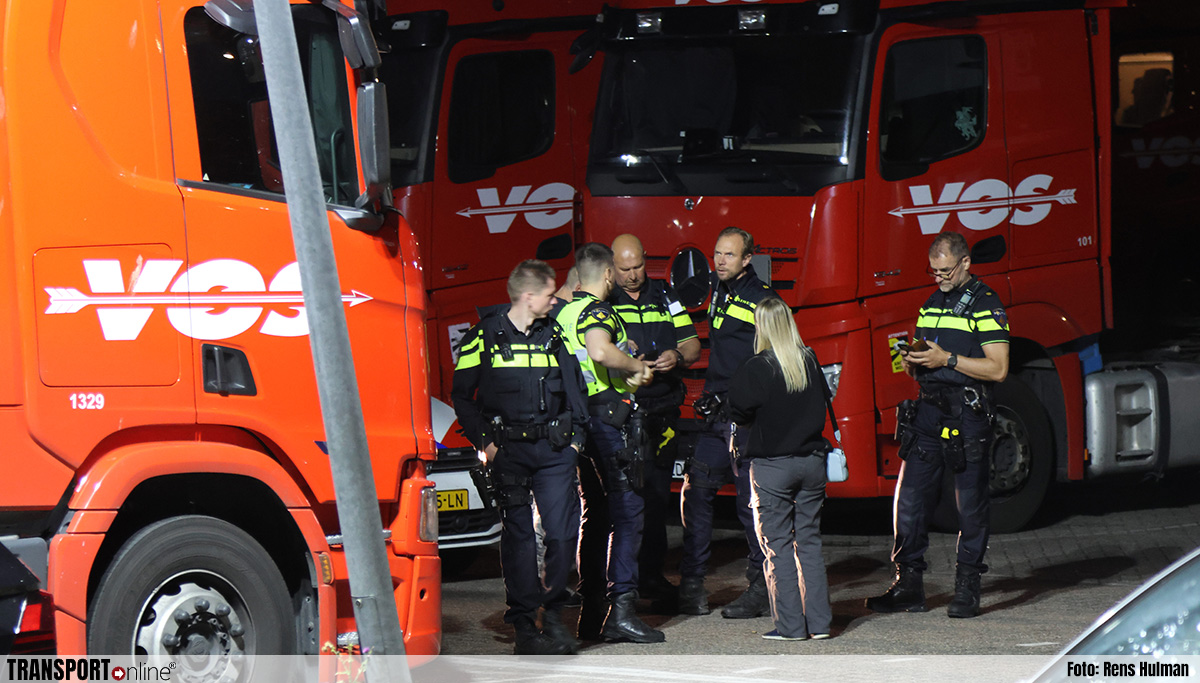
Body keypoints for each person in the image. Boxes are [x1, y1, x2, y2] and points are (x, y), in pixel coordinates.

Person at [865, 231, 1009, 619]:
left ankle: (968, 587)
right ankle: (908, 585)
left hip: (967, 415)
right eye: (934, 272)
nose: (940, 278)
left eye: (946, 271)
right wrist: (914, 360)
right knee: (909, 502)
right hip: (928, 413)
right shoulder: (932, 302)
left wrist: (946, 360)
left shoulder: (986, 303)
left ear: (965, 263)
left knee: (970, 506)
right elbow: (926, 355)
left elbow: (998, 368)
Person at [451, 260, 589, 654]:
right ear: (529, 297)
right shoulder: (484, 337)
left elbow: (576, 393)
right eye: (549, 295)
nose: (554, 300)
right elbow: (462, 395)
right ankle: (526, 626)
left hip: (553, 451)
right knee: (521, 541)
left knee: (563, 535)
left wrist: (576, 442)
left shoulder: (555, 334)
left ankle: (556, 616)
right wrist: (486, 443)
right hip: (508, 451)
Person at [556, 243, 661, 643]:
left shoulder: (563, 313)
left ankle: (591, 613)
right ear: (605, 275)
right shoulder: (598, 311)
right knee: (629, 511)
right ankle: (622, 612)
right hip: (606, 422)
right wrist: (636, 365)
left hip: (576, 425)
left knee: (596, 514)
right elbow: (599, 350)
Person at [679, 226, 776, 618]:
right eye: (717, 253)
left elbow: (775, 360)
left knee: (748, 504)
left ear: (747, 259)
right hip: (715, 416)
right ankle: (692, 585)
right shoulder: (721, 292)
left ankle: (760, 586)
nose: (720, 261)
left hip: (745, 419)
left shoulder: (764, 301)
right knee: (695, 490)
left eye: (729, 255)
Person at [729, 296, 832, 641]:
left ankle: (790, 626)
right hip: (813, 464)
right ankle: (819, 625)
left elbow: (739, 411)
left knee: (778, 547)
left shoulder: (758, 367)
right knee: (810, 543)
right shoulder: (808, 359)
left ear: (762, 326)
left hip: (774, 467)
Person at [609, 234, 700, 609]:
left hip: (661, 414)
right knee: (619, 503)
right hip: (621, 416)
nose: (632, 276)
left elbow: (693, 346)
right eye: (624, 269)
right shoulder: (604, 300)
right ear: (611, 268)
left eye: (638, 267)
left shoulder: (665, 295)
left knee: (658, 498)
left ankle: (651, 576)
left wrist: (675, 355)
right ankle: (614, 581)